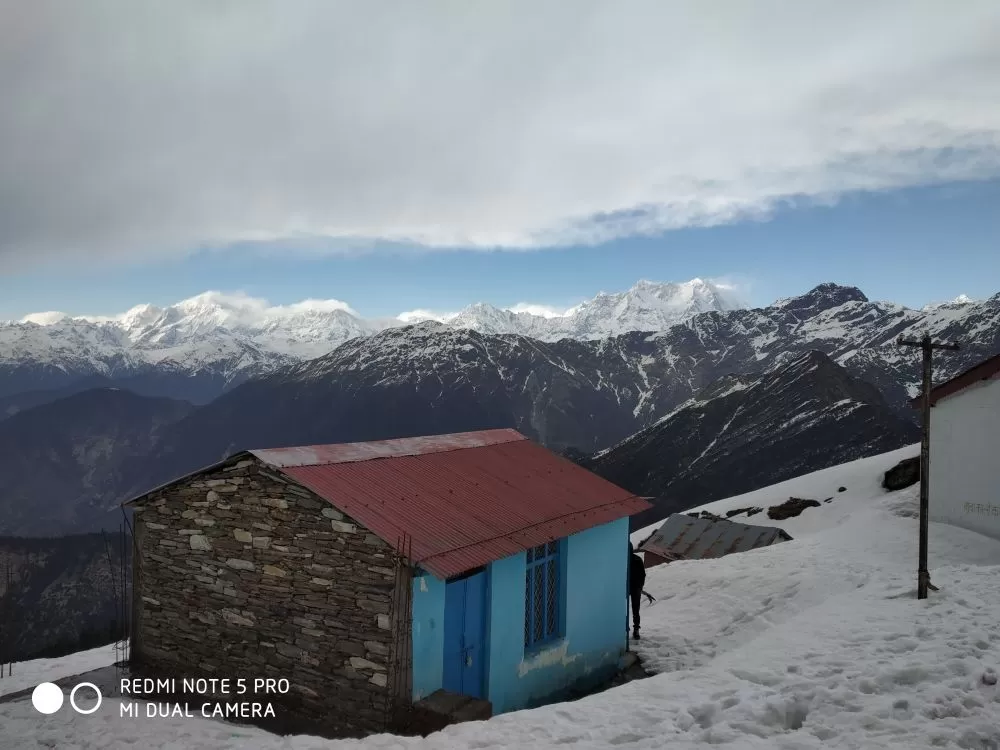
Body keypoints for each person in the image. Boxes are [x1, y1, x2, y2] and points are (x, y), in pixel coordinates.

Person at [627, 542, 646, 640]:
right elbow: (643, 575)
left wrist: (639, 586)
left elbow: (642, 575)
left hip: (634, 587)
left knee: (635, 609)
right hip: (628, 587)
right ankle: (630, 628)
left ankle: (636, 629)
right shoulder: (636, 559)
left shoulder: (637, 559)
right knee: (634, 609)